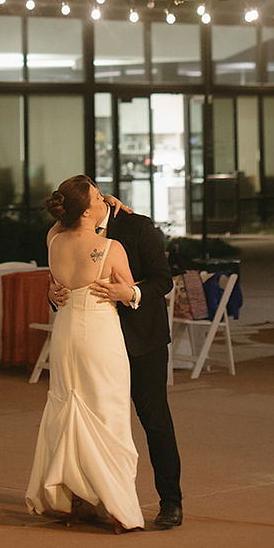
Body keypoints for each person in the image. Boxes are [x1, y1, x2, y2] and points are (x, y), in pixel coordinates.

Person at [49, 176, 183, 530]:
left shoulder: (136, 226)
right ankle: (93, 499)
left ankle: (171, 502)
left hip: (142, 339)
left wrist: (131, 295)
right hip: (93, 342)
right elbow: (61, 278)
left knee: (154, 419)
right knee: (95, 420)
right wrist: (54, 294)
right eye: (95, 195)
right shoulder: (65, 230)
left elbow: (162, 279)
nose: (103, 201)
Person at [25, 176, 144, 532]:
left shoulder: (54, 240)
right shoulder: (112, 248)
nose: (104, 199)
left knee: (68, 407)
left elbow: (64, 222)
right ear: (90, 207)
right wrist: (132, 295)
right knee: (108, 412)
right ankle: (116, 507)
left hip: (65, 335)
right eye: (97, 195)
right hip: (99, 336)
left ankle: (70, 502)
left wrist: (91, 202)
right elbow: (126, 292)